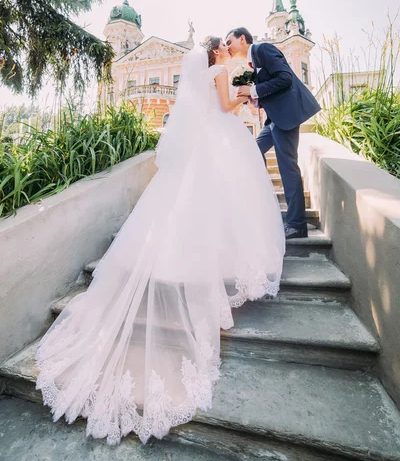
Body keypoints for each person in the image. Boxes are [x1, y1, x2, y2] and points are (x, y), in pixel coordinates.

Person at [35, 37, 285, 445]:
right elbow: (222, 108)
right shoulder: (220, 72)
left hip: (201, 147)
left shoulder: (202, 73)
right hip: (220, 140)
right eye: (224, 46)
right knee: (224, 202)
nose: (226, 49)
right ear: (218, 52)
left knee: (190, 206)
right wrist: (243, 96)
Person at [226, 27, 321, 239]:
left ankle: (297, 224)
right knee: (252, 150)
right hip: (273, 120)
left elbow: (285, 78)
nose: (228, 47)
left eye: (229, 41)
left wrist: (252, 90)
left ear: (242, 39)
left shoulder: (263, 49)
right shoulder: (253, 61)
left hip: (285, 117)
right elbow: (273, 89)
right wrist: (255, 98)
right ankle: (259, 195)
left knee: (288, 168)